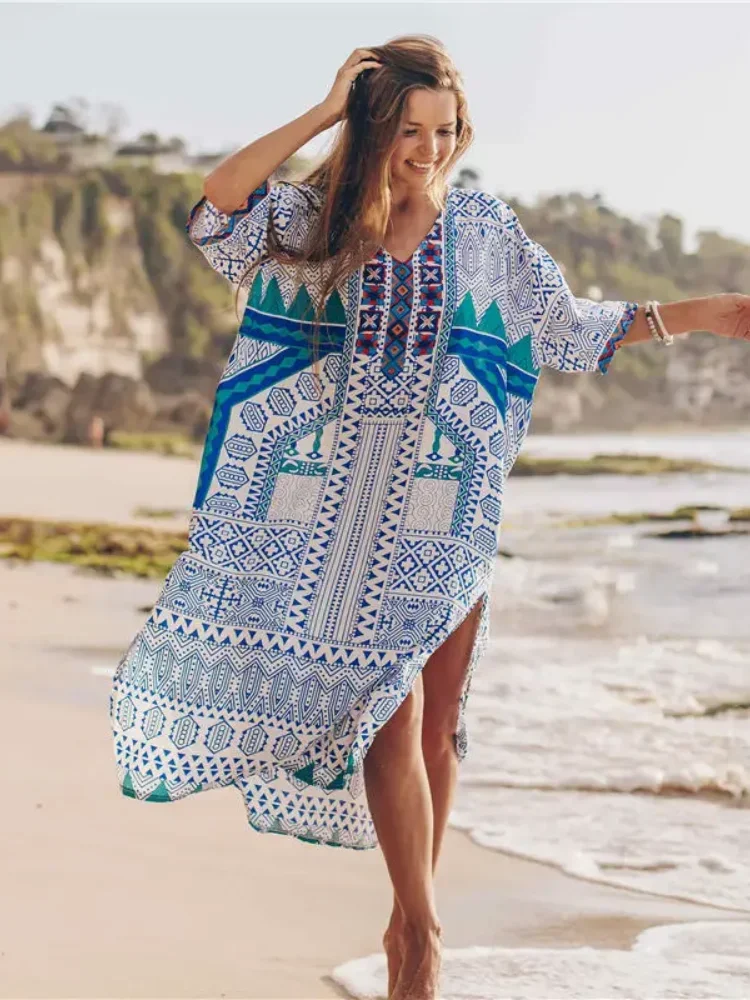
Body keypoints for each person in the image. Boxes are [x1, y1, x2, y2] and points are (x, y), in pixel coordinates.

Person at [109, 35, 749, 1000]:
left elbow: (568, 331)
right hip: (328, 521)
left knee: (441, 720)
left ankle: (413, 918)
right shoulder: (314, 221)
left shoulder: (487, 232)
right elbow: (216, 207)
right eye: (409, 129)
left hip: (446, 510)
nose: (429, 148)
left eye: (444, 131)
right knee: (390, 713)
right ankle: (426, 931)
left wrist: (701, 313)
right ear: (374, 129)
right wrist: (326, 109)